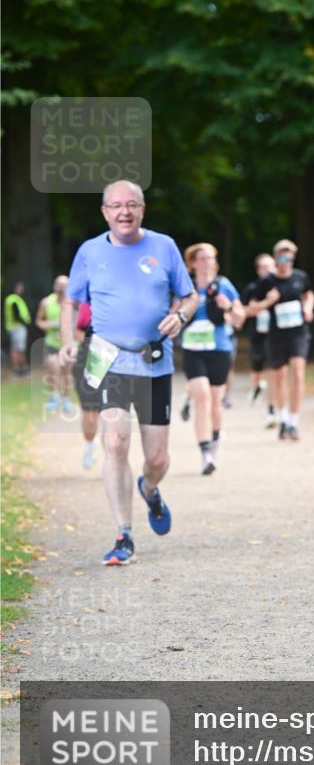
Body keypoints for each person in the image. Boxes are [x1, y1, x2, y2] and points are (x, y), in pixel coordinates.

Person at [59, 180, 199, 566]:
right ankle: (124, 535)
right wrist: (68, 340)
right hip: (106, 357)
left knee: (158, 459)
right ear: (105, 212)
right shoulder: (89, 252)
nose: (124, 211)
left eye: (132, 204)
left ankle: (149, 489)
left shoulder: (164, 246)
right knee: (115, 441)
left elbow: (190, 296)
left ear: (142, 209)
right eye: (116, 205)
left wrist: (180, 316)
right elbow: (70, 302)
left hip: (154, 361)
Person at [181, 242, 245, 474]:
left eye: (210, 258)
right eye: (202, 258)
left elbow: (240, 318)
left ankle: (216, 437)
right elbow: (172, 314)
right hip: (192, 349)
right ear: (192, 263)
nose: (206, 262)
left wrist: (228, 307)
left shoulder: (223, 285)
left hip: (219, 348)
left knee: (215, 402)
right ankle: (205, 453)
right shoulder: (184, 287)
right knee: (202, 396)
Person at [249, 239, 314, 441]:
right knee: (278, 378)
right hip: (276, 335)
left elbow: (308, 294)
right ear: (276, 257)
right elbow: (252, 307)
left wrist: (308, 308)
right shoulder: (267, 282)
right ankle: (283, 418)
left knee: (298, 372)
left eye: (289, 255)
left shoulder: (300, 277)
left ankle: (294, 421)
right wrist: (268, 301)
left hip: (298, 333)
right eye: (282, 255)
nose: (285, 259)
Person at [241, 253, 278, 427]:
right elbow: (242, 311)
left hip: (275, 337)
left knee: (272, 372)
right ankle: (256, 388)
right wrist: (258, 308)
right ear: (258, 270)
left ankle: (272, 410)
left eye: (270, 266)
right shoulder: (252, 289)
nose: (268, 270)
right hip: (258, 334)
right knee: (256, 368)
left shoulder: (278, 287)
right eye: (264, 267)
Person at [36, 275, 74, 413]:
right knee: (53, 368)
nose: (61, 287)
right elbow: (39, 321)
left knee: (67, 372)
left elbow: (80, 323)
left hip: (68, 344)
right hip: (51, 343)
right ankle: (54, 397)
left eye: (64, 285)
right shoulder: (46, 302)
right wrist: (50, 324)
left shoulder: (74, 303)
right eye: (59, 284)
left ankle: (66, 399)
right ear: (54, 286)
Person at [71, 300, 101, 469]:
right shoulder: (86, 304)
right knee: (89, 412)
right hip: (88, 360)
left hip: (114, 361)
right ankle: (89, 446)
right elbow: (78, 331)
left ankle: (112, 459)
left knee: (111, 412)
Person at [4, 281, 31, 376]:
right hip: (16, 327)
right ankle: (17, 369)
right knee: (17, 349)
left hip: (15, 327)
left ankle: (22, 368)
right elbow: (16, 314)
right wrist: (24, 322)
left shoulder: (14, 299)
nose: (21, 290)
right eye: (20, 287)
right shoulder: (13, 299)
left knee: (18, 348)